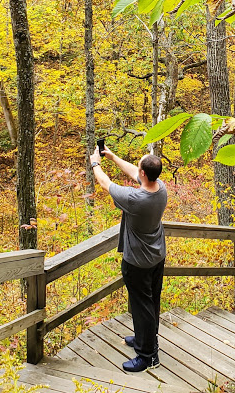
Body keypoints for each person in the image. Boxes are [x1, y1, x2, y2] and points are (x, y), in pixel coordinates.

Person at [89, 144, 167, 373]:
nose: (137, 170)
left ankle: (148, 356)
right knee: (151, 302)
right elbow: (135, 171)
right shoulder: (160, 187)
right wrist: (113, 156)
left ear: (144, 173)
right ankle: (147, 339)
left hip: (138, 263)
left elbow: (104, 183)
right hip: (156, 256)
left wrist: (96, 162)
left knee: (141, 305)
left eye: (140, 166)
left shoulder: (136, 199)